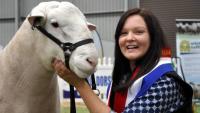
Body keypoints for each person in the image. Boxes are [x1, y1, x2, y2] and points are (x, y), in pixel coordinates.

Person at [52, 8, 193, 113]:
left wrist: (80, 84)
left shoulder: (166, 82)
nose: (129, 38)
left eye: (139, 32)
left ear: (153, 38)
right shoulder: (123, 78)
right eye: (123, 33)